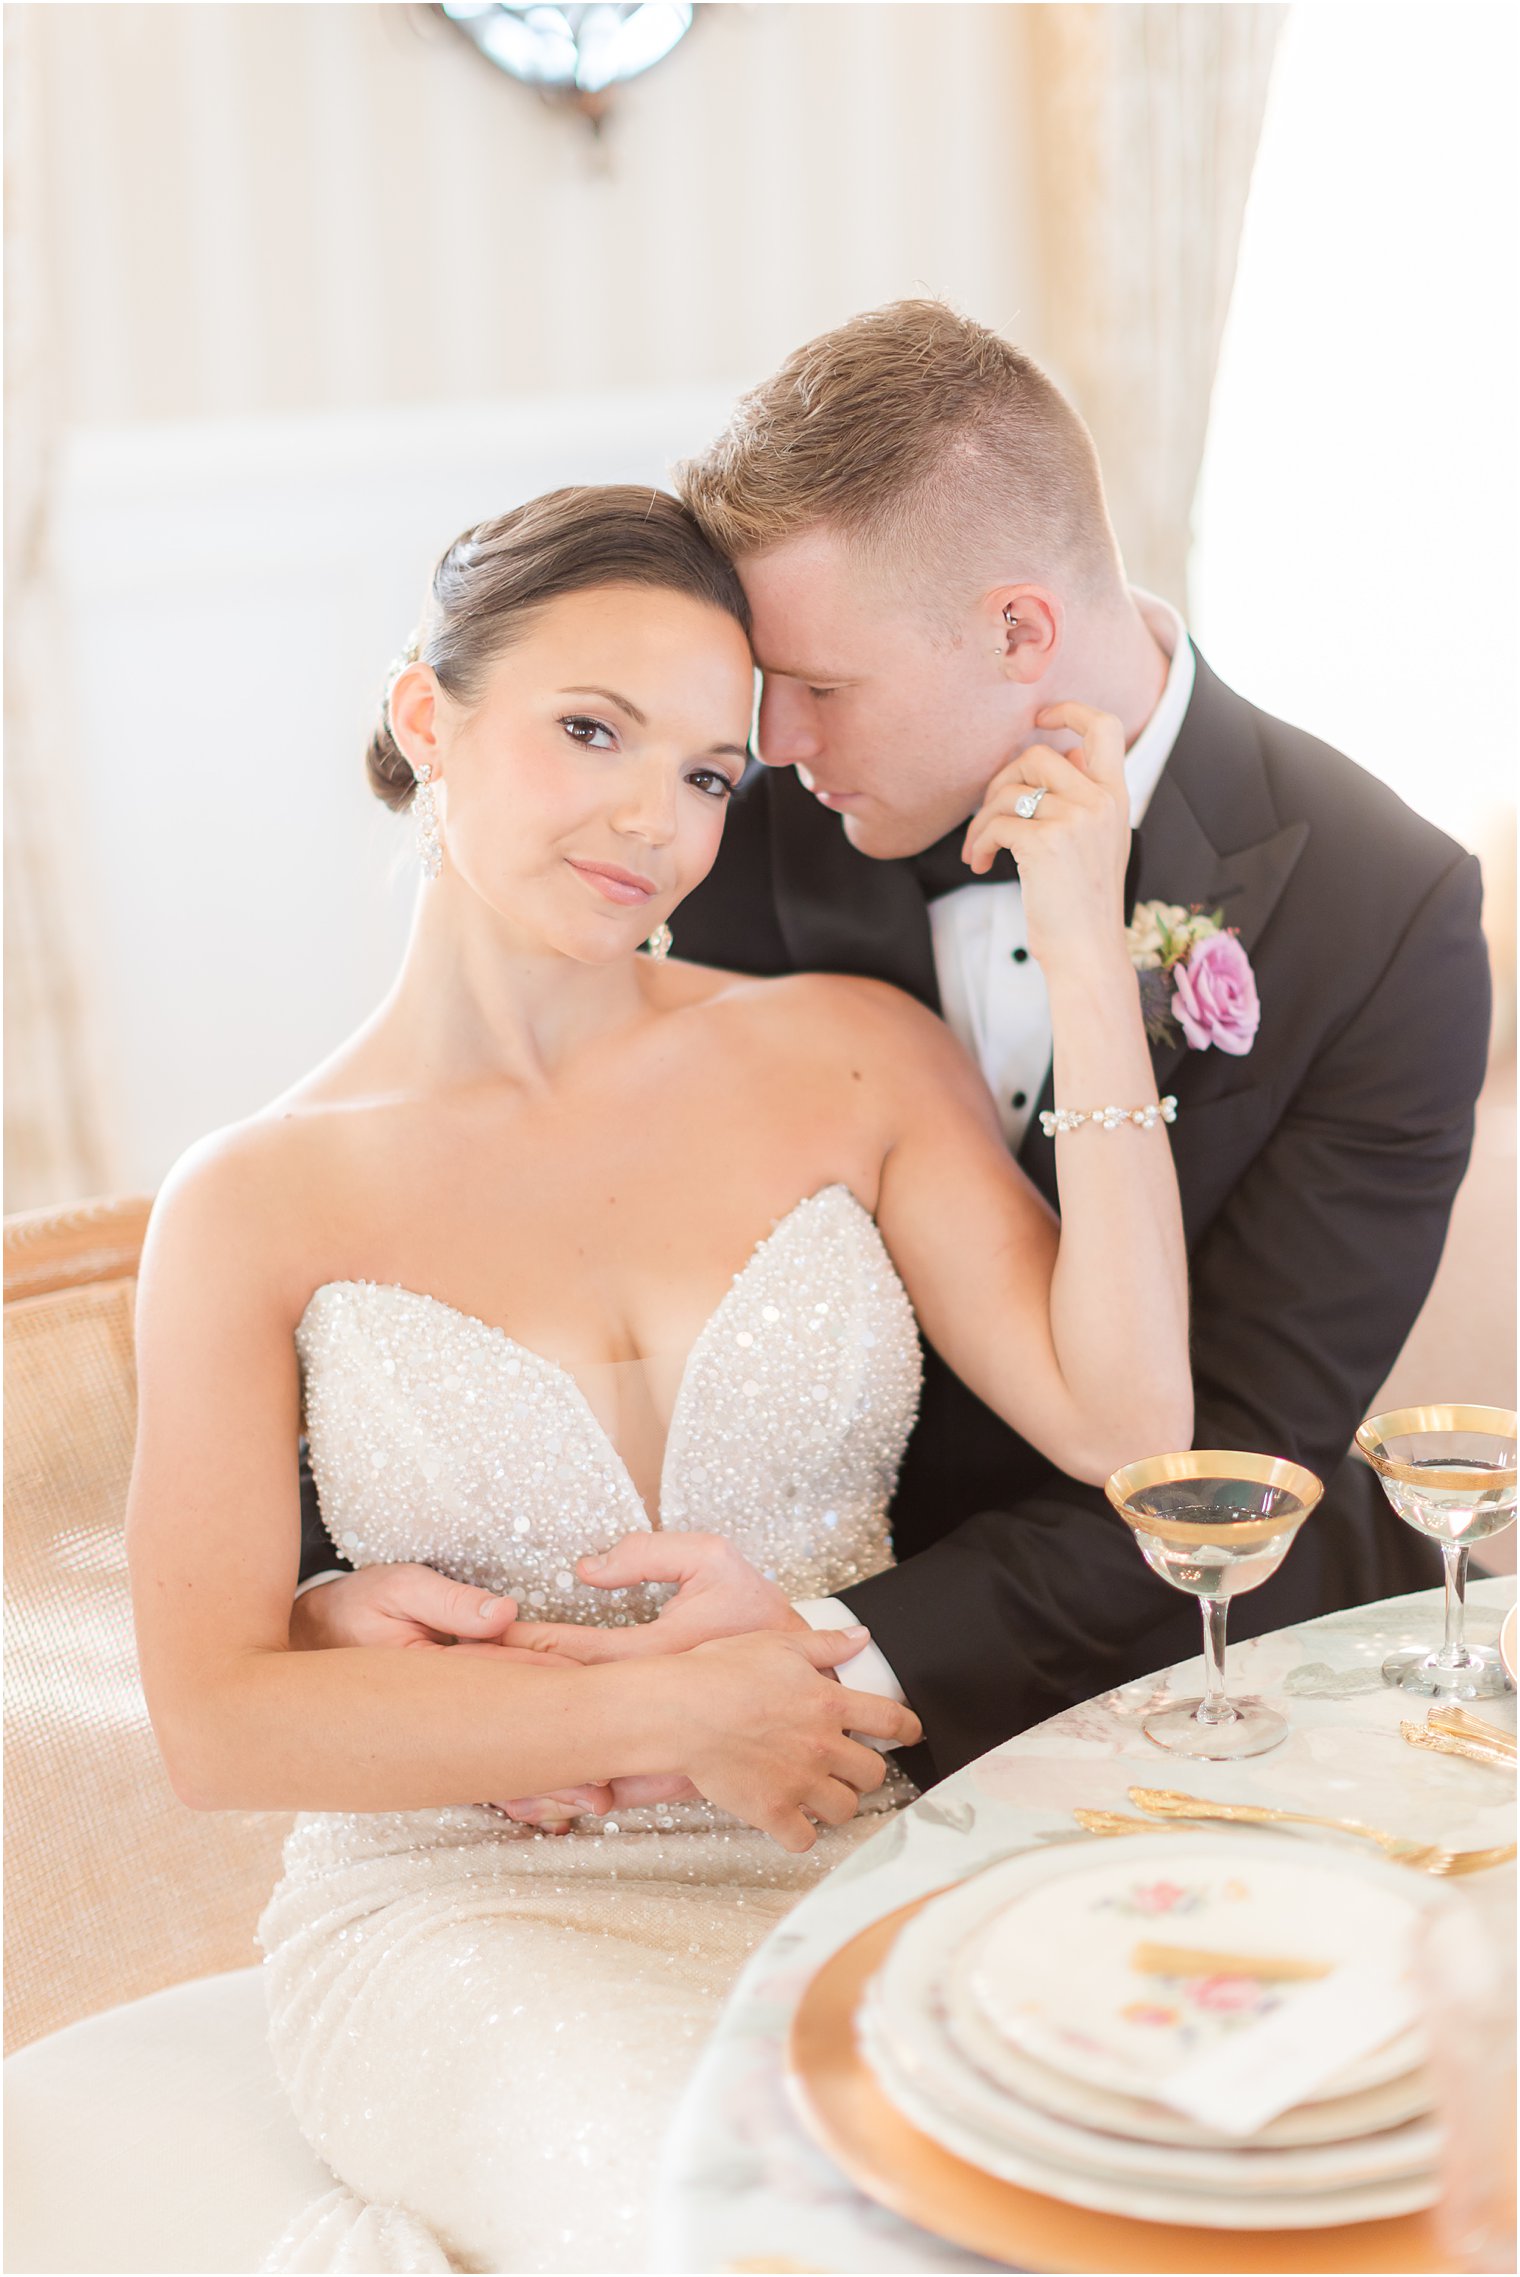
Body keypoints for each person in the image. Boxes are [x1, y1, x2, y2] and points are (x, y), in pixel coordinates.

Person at [127, 482, 1193, 2272]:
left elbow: (1130, 1422)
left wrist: (1085, 950)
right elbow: (216, 1721)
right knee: (733, 2221)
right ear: (427, 719)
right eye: (590, 731)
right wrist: (676, 1707)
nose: (655, 818)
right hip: (469, 1915)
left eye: (710, 771)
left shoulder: (850, 1057)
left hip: (853, 1850)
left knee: (1091, 2198)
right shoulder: (251, 1199)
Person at [297, 300, 1488, 1805]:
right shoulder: (718, 796)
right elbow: (477, 1152)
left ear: (1017, 631)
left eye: (821, 688)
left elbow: (1230, 1468)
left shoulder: (1392, 913)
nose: (765, 739)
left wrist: (824, 1653)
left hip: (1210, 1675)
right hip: (695, 1710)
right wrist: (322, 1588)